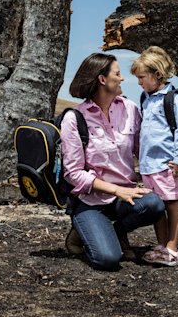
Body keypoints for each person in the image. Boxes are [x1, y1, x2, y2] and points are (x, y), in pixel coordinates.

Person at [60, 53, 166, 271]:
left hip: (123, 200)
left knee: (155, 204)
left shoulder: (130, 109)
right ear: (102, 80)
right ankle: (81, 231)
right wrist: (118, 190)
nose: (122, 79)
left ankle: (117, 232)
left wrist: (173, 164)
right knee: (108, 259)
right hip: (90, 201)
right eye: (117, 74)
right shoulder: (75, 118)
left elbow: (142, 150)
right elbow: (73, 174)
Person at [130, 46, 178, 267]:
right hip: (149, 165)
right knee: (157, 207)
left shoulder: (174, 99)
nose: (139, 82)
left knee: (172, 204)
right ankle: (162, 244)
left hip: (167, 164)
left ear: (157, 74)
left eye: (141, 77)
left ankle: (173, 250)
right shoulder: (145, 99)